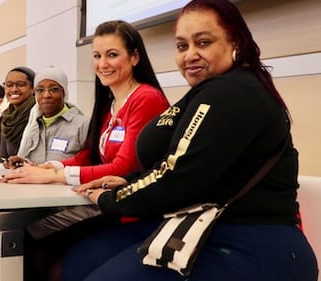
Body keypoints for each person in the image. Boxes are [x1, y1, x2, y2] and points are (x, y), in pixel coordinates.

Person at [62, 1, 319, 281]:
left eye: (204, 42)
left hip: (250, 238)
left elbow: (178, 175)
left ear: (235, 41)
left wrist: (110, 199)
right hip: (195, 223)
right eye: (182, 46)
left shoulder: (234, 91)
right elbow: (177, 161)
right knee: (75, 261)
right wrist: (129, 181)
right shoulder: (203, 92)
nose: (190, 55)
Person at [0, 20, 169, 186]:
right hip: (102, 197)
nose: (102, 64)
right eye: (97, 56)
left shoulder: (146, 98)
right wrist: (52, 167)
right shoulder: (109, 104)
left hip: (128, 207)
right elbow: (90, 155)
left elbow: (123, 168)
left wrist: (53, 175)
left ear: (134, 57)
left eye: (112, 55)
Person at [4, 66, 89, 167]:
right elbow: (37, 164)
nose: (46, 95)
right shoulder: (34, 125)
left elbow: (90, 162)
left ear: (64, 92)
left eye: (53, 89)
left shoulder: (82, 124)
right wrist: (23, 163)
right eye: (40, 90)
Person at [0, 66, 37, 160]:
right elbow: (2, 157)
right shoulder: (6, 116)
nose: (14, 89)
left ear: (33, 89)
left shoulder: (37, 114)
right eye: (9, 85)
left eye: (20, 84)